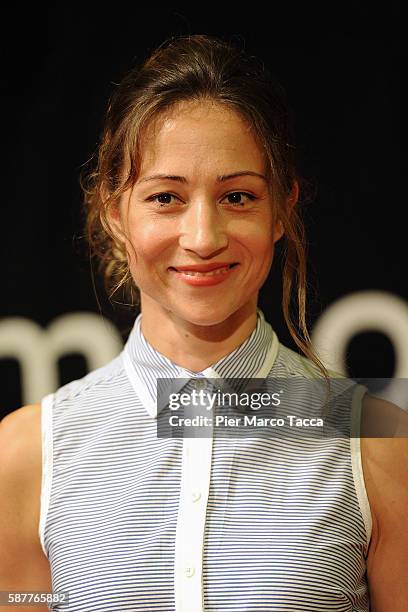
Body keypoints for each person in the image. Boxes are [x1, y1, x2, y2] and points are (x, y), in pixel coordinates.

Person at [1, 33, 407, 612]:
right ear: (114, 214)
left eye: (238, 197)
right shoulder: (27, 456)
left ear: (281, 211)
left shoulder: (376, 443)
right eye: (166, 198)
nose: (203, 238)